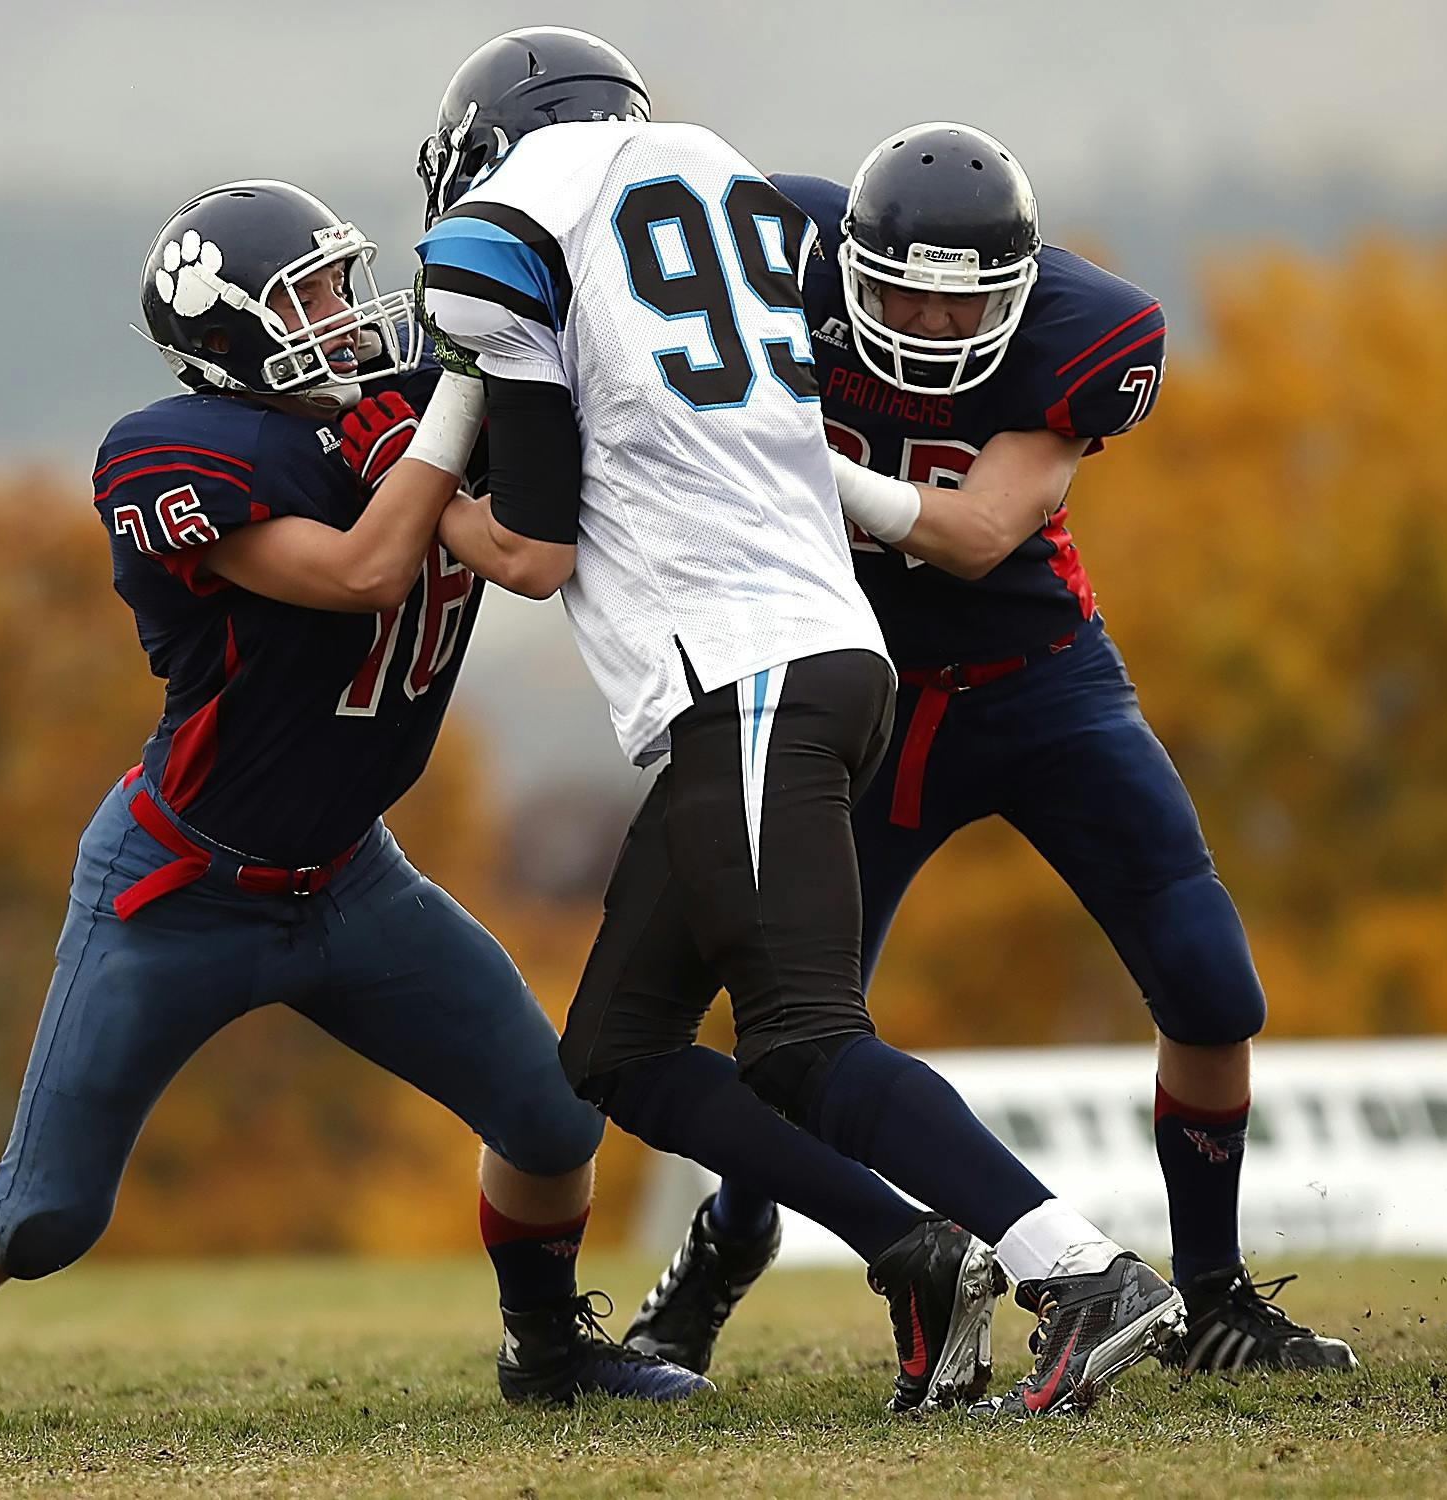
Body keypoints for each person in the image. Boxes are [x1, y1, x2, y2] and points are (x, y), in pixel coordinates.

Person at [0, 179, 710, 1438]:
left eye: (346, 286)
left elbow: (539, 521)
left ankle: (545, 1348)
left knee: (553, 1114)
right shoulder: (180, 455)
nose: (349, 318)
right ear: (226, 337)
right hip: (179, 888)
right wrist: (463, 395)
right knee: (43, 1215)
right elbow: (362, 570)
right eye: (312, 298)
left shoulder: (402, 404)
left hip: (352, 878)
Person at [413, 30, 1183, 1417]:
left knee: (804, 1040)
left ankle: (1082, 1270)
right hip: (802, 654)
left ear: (490, 141)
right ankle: (913, 1256)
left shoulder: (509, 220)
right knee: (620, 1055)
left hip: (748, 667)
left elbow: (532, 548)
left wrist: (414, 484)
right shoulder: (719, 176)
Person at [625, 123, 1357, 1379]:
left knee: (1212, 986)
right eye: (899, 287)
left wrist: (786, 453)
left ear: (1025, 288)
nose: (926, 322)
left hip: (1039, 688)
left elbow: (971, 536)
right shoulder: (765, 251)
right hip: (851, 700)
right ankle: (724, 1246)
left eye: (963, 299)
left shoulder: (1091, 331)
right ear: (845, 260)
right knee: (790, 1039)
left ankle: (1215, 1291)